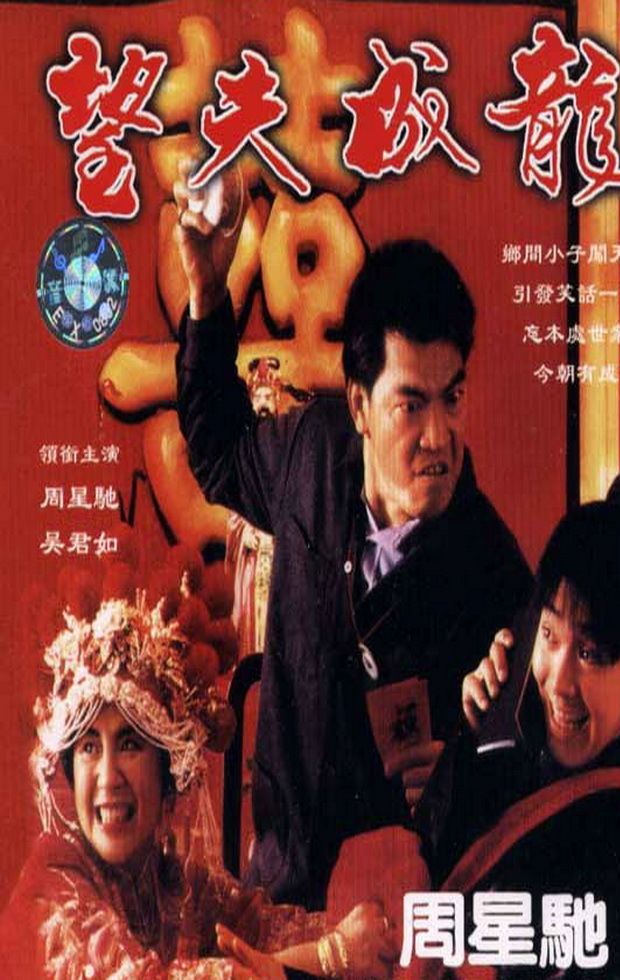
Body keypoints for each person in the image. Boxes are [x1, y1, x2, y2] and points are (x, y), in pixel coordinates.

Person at [174, 162, 532, 908]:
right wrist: (207, 292)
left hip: (398, 927)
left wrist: (461, 775)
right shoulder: (312, 448)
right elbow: (219, 454)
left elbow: (523, 785)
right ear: (361, 405)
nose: (439, 436)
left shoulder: (495, 574)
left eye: (453, 398)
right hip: (278, 896)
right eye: (411, 405)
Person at [0, 585, 397, 979]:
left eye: (129, 743)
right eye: (88, 747)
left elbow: (265, 928)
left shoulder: (172, 880)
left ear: (169, 774)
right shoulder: (52, 880)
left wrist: (364, 932)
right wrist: (331, 954)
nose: (107, 777)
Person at [417, 501, 620, 979]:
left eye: (590, 654)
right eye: (548, 635)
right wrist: (471, 739)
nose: (560, 682)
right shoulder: (505, 742)